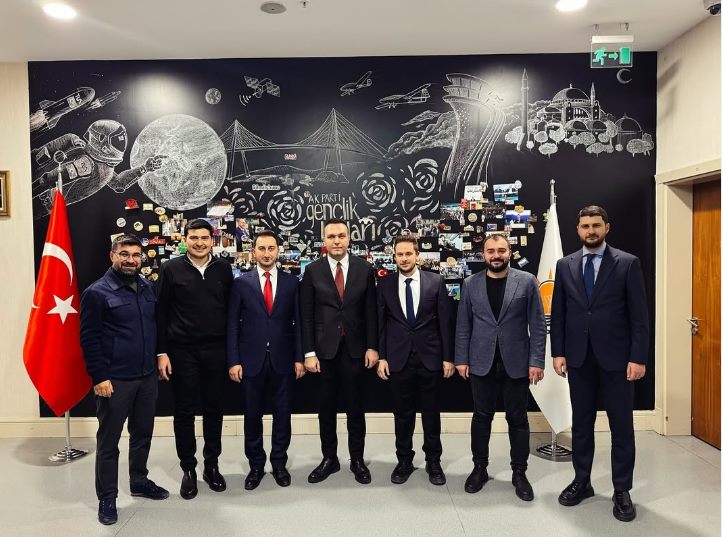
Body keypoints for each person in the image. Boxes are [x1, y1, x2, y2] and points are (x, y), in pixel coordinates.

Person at [551, 205, 648, 522]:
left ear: (607, 227)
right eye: (585, 226)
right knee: (581, 425)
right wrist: (558, 352)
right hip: (579, 359)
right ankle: (582, 481)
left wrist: (638, 357)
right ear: (578, 230)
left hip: (618, 361)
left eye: (596, 225)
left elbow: (639, 316)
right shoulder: (565, 265)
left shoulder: (627, 263)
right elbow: (560, 313)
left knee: (621, 427)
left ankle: (622, 489)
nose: (590, 231)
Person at [80, 234, 169, 525]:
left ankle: (139, 481)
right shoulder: (96, 293)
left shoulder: (147, 287)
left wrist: (160, 355)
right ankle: (107, 497)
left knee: (142, 434)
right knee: (109, 442)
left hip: (146, 377)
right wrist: (99, 376)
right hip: (115, 380)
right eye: (124, 254)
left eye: (135, 255)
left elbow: (155, 327)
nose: (131, 260)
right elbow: (89, 339)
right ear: (113, 256)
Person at [455, 233, 546, 501]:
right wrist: (461, 359)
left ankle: (519, 472)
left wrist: (536, 361)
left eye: (501, 250)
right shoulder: (470, 284)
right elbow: (463, 325)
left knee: (517, 419)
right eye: (491, 251)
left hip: (516, 363)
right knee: (481, 418)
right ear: (484, 254)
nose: (496, 255)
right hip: (481, 362)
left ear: (509, 252)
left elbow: (538, 325)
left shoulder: (527, 281)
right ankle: (479, 469)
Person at [156, 218, 234, 499]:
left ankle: (211, 466)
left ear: (212, 240)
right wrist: (161, 352)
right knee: (184, 412)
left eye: (204, 238)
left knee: (214, 410)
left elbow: (230, 311)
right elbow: (160, 313)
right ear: (184, 239)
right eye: (194, 238)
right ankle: (188, 469)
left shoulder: (224, 269)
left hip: (216, 350)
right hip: (182, 351)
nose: (199, 243)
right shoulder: (170, 269)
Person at [300, 217, 379, 484]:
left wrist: (372, 346)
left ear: (349, 238)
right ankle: (329, 459)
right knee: (326, 409)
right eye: (331, 236)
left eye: (341, 236)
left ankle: (357, 459)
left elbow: (371, 312)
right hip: (323, 353)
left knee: (356, 409)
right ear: (324, 240)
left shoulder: (364, 269)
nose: (336, 241)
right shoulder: (312, 271)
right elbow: (306, 315)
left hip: (355, 350)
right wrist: (309, 352)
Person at [227, 230, 305, 490]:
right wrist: (233, 360)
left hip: (284, 360)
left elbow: (299, 323)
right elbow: (232, 325)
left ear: (278, 251)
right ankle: (256, 465)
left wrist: (299, 357)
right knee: (252, 416)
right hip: (250, 360)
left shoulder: (292, 282)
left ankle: (279, 463)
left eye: (271, 248)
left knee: (283, 415)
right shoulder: (241, 283)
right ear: (254, 252)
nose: (267, 253)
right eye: (262, 248)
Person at [376, 236, 455, 485]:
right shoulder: (385, 284)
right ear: (394, 257)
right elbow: (380, 324)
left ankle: (433, 461)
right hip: (398, 359)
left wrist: (448, 357)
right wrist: (382, 357)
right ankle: (404, 461)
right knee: (402, 414)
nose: (404, 259)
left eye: (408, 254)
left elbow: (445, 322)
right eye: (399, 254)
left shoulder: (435, 281)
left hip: (430, 358)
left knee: (431, 413)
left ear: (417, 255)